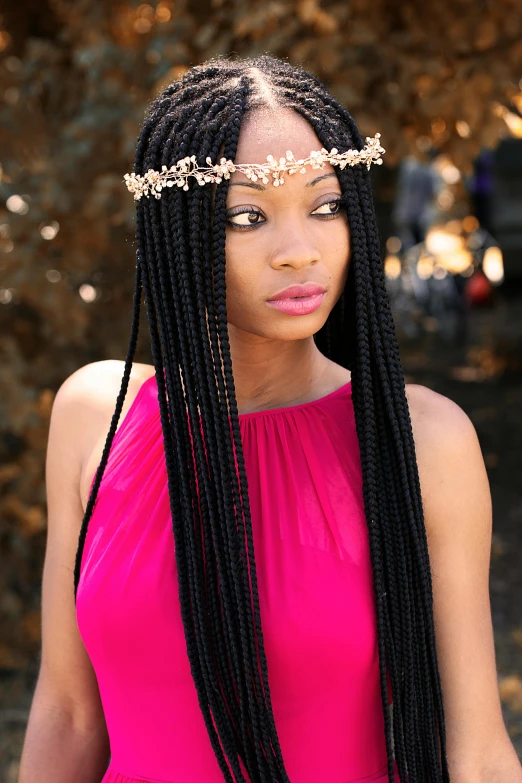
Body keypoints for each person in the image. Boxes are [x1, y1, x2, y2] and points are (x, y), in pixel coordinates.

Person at [18, 55, 521, 783]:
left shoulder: (420, 442)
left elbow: (474, 752)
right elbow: (67, 711)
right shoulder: (95, 415)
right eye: (247, 216)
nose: (300, 252)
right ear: (179, 230)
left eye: (326, 206)